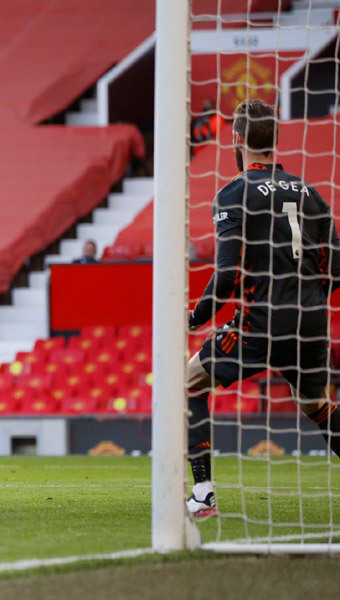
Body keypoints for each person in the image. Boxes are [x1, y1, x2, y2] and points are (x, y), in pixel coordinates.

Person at [186, 99, 340, 516]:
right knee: (317, 406)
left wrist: (193, 318)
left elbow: (226, 276)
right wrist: (306, 302)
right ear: (276, 139)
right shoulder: (311, 194)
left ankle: (203, 493)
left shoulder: (233, 194)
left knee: (189, 383)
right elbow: (336, 267)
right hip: (310, 323)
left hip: (261, 323)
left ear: (236, 139)